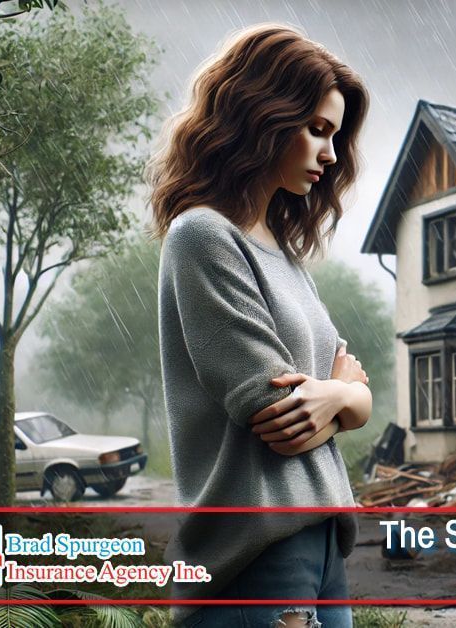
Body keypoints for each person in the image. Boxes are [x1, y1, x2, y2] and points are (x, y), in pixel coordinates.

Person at [148, 23, 371, 628]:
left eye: (335, 135)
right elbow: (280, 417)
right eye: (317, 130)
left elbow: (355, 392)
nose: (330, 154)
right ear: (262, 116)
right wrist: (337, 396)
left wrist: (341, 393)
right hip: (259, 554)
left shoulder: (286, 257)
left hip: (324, 544)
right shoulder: (202, 236)